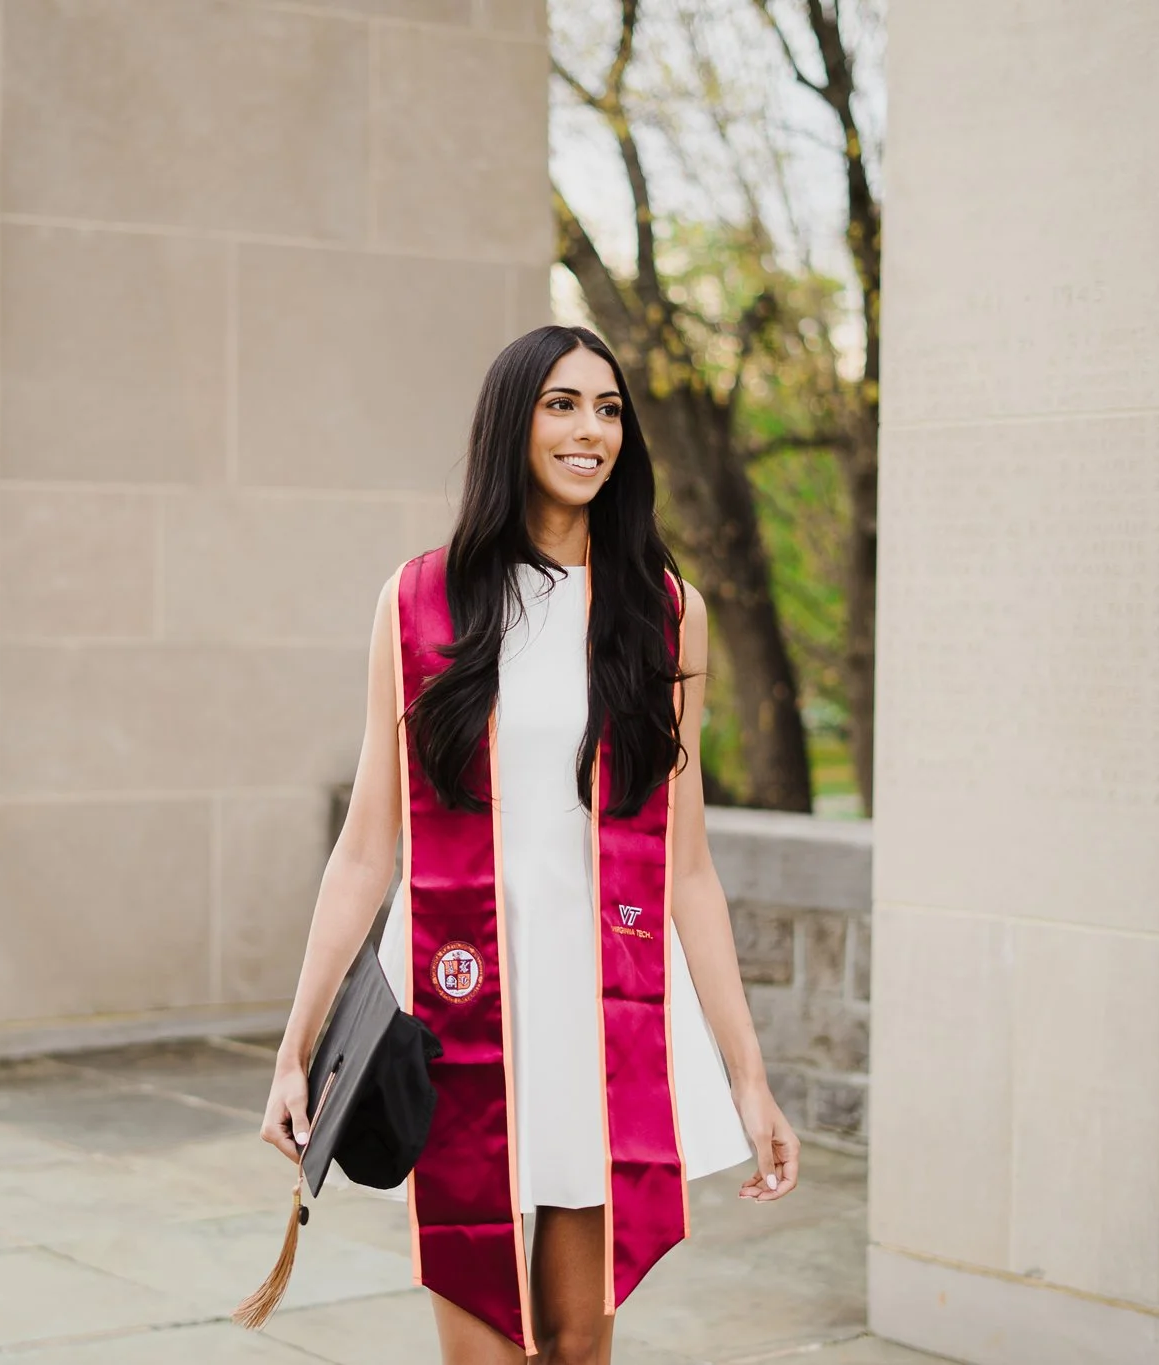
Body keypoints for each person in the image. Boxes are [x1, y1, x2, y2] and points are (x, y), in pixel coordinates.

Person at [259, 326, 799, 1364]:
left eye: (606, 408)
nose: (588, 429)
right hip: (458, 997)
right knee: (479, 1347)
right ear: (513, 422)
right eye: (561, 404)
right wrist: (295, 1049)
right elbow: (368, 847)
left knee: (574, 1344)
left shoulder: (660, 612)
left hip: (598, 1011)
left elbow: (685, 868)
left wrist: (746, 1074)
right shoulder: (419, 602)